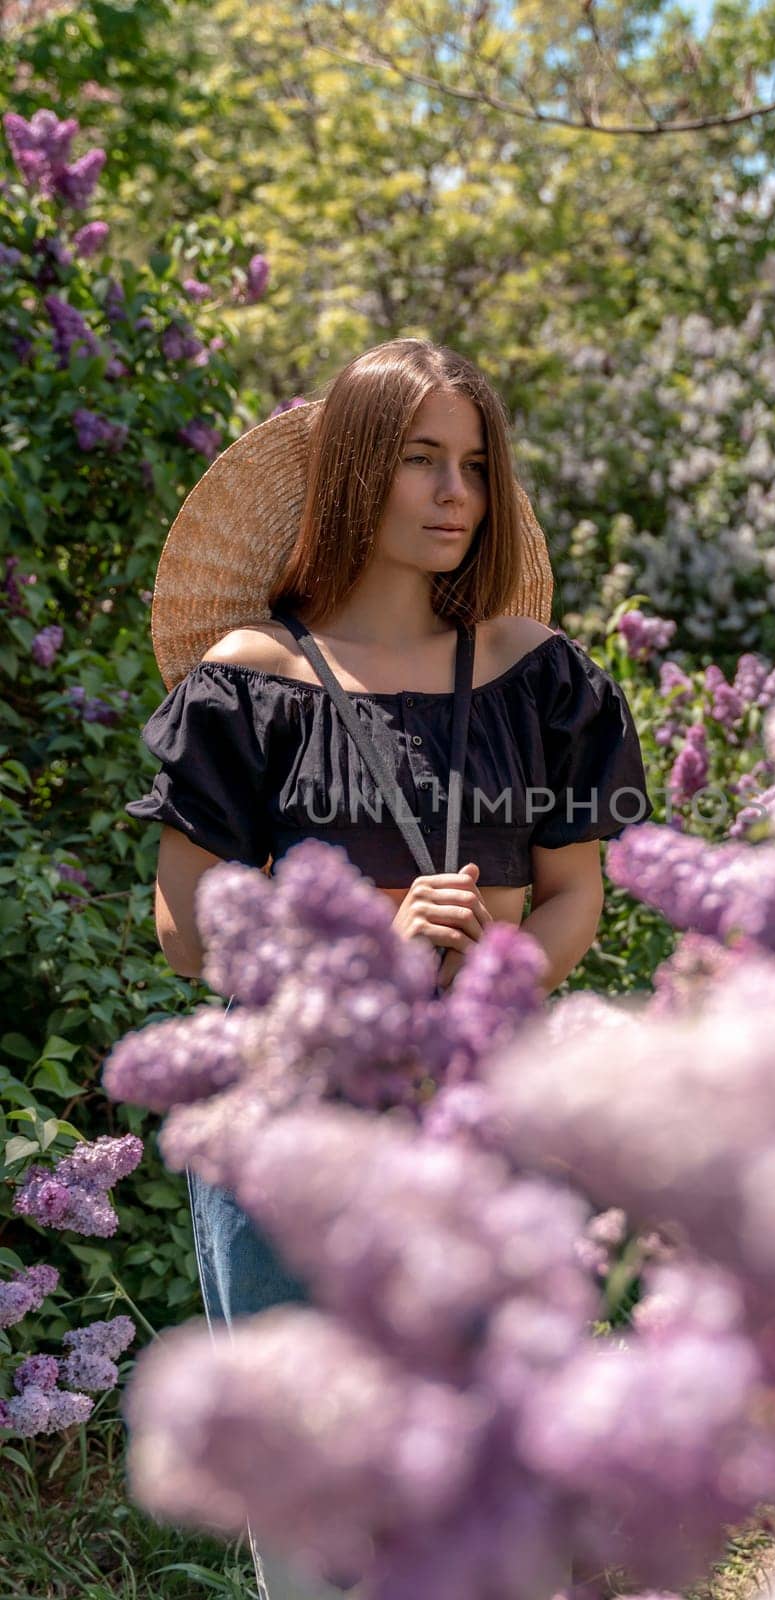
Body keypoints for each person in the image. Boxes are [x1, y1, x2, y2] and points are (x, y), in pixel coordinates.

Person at [125, 337, 651, 1599]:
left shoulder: (541, 678)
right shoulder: (243, 687)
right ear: (358, 472)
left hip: (482, 1111)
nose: (456, 492)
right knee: (309, 1491)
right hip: (291, 1120)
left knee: (493, 1480)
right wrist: (366, 943)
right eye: (421, 460)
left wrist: (491, 972)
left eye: (475, 464)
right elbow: (186, 929)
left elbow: (576, 889)